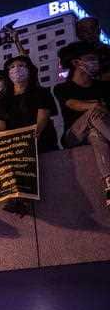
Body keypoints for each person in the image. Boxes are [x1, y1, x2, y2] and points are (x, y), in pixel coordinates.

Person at [54, 41, 110, 204]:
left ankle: (108, 185)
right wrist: (95, 105)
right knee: (94, 113)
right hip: (74, 135)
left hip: (98, 130)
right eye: (90, 58)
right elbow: (72, 104)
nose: (95, 62)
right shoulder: (62, 88)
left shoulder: (104, 87)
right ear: (76, 62)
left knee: (96, 135)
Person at [0, 55, 59, 152]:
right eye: (12, 67)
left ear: (29, 70)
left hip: (42, 145)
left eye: (21, 65)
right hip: (13, 149)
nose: (16, 69)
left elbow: (42, 119)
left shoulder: (42, 93)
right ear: (8, 74)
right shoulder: (3, 100)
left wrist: (32, 136)